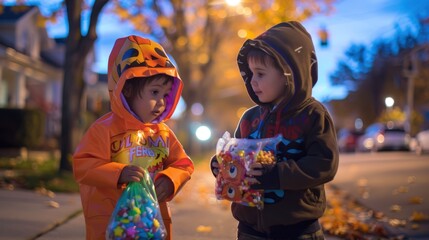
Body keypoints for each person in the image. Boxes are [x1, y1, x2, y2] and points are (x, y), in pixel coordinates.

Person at [210, 21, 339, 239]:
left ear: (289, 74)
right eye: (250, 74)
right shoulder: (250, 118)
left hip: (296, 230)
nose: (252, 81)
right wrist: (225, 166)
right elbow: (239, 155)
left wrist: (277, 175)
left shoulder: (312, 115)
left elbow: (324, 163)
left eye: (260, 74)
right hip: (249, 228)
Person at [73, 35, 194, 240]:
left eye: (165, 95)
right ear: (126, 87)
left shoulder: (162, 133)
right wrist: (118, 173)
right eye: (154, 92)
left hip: (151, 222)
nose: (161, 102)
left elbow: (183, 164)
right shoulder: (104, 129)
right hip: (111, 223)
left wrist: (170, 180)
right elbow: (83, 165)